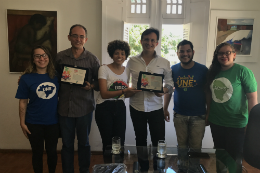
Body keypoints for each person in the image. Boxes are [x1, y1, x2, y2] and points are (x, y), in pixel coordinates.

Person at [56, 24, 100, 173]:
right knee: (67, 144)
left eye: (81, 36)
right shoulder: (60, 57)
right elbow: (50, 76)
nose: (78, 39)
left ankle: (84, 170)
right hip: (64, 108)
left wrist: (91, 86)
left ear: (86, 39)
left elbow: (99, 83)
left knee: (84, 143)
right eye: (75, 35)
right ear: (69, 37)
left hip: (84, 109)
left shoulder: (92, 59)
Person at [206, 43, 258, 167]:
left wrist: (251, 124)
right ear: (216, 56)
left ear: (234, 55)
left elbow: (252, 98)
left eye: (227, 53)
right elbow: (209, 95)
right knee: (220, 156)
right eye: (220, 53)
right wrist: (208, 114)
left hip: (237, 124)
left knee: (234, 159)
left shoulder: (243, 72)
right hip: (216, 122)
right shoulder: (212, 72)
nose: (224, 55)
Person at [163, 40, 208, 173]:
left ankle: (193, 170)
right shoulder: (174, 69)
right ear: (177, 53)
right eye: (182, 51)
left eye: (188, 51)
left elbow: (208, 93)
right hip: (180, 115)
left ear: (193, 52)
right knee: (181, 147)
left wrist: (209, 113)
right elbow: (169, 90)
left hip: (199, 116)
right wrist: (165, 108)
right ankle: (182, 169)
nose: (185, 54)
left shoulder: (202, 70)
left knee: (195, 148)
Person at [126, 27, 174, 147]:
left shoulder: (164, 62)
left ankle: (158, 166)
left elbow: (170, 84)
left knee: (159, 141)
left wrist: (163, 90)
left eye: (153, 40)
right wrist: (129, 90)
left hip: (156, 108)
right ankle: (143, 166)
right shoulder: (132, 61)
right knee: (140, 140)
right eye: (146, 39)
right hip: (136, 107)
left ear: (157, 43)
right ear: (141, 41)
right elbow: (124, 82)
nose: (149, 43)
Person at [15, 45, 59, 173]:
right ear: (33, 59)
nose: (41, 58)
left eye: (44, 55)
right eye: (37, 56)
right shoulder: (26, 78)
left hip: (53, 122)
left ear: (49, 58)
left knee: (52, 152)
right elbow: (23, 101)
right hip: (34, 122)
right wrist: (22, 122)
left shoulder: (56, 76)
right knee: (37, 153)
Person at [95, 40, 140, 155]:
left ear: (126, 55)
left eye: (122, 53)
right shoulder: (104, 69)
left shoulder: (127, 71)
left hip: (120, 107)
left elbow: (125, 95)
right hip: (104, 108)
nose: (120, 56)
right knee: (108, 143)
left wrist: (136, 90)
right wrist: (124, 90)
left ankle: (119, 168)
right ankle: (108, 168)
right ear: (111, 54)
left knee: (120, 142)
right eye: (116, 53)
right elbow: (104, 94)